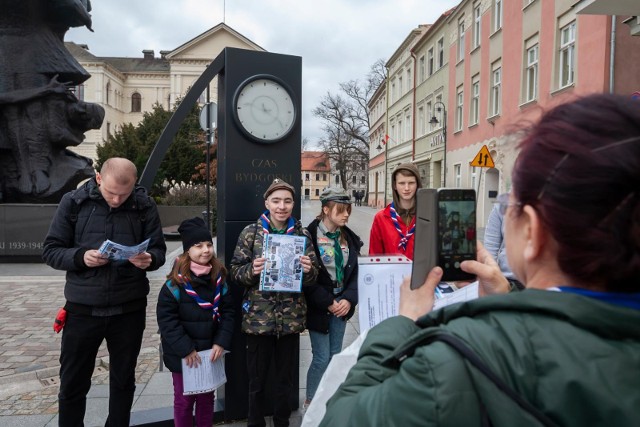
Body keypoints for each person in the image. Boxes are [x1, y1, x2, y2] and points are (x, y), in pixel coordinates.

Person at [321, 94, 640, 426]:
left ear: (532, 231)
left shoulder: (455, 361)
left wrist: (403, 323)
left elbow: (342, 418)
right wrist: (510, 299)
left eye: (507, 204)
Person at [42, 157, 166, 427]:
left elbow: (159, 251)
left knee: (124, 380)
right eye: (111, 193)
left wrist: (149, 260)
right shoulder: (73, 203)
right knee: (73, 382)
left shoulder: (144, 205)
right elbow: (50, 250)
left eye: (125, 193)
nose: (117, 200)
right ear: (98, 178)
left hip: (129, 308)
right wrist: (80, 257)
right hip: (82, 308)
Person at [230, 178, 319, 427]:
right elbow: (234, 272)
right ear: (267, 202)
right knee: (256, 382)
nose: (282, 206)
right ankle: (255, 423)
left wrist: (309, 269)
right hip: (258, 320)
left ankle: (282, 423)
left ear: (293, 204)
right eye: (276, 200)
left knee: (285, 382)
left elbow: (313, 279)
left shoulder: (301, 234)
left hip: (290, 321)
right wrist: (252, 270)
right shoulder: (251, 233)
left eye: (287, 201)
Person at [157, 217, 235, 427]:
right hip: (184, 356)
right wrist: (186, 349)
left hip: (210, 353)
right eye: (198, 246)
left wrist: (221, 342)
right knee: (183, 402)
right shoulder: (174, 285)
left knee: (206, 400)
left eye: (209, 244)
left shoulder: (219, 279)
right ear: (187, 251)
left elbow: (229, 314)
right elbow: (167, 322)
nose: (206, 250)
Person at [303, 188, 363, 409]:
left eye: (348, 210)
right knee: (321, 357)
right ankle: (311, 402)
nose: (346, 214)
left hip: (342, 304)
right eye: (341, 210)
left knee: (335, 355)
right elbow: (307, 279)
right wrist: (328, 302)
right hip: (321, 305)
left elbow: (356, 273)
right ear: (326, 209)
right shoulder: (309, 236)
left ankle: (328, 400)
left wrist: (348, 299)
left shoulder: (349, 238)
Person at [369, 162, 422, 259]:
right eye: (402, 183)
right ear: (394, 186)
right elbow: (374, 257)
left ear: (417, 185)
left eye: (411, 183)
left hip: (420, 274)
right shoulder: (381, 218)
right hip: (390, 274)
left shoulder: (427, 216)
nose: (407, 188)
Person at [484, 203, 524, 289]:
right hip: (508, 280)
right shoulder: (501, 206)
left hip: (543, 283)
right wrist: (493, 279)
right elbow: (490, 249)